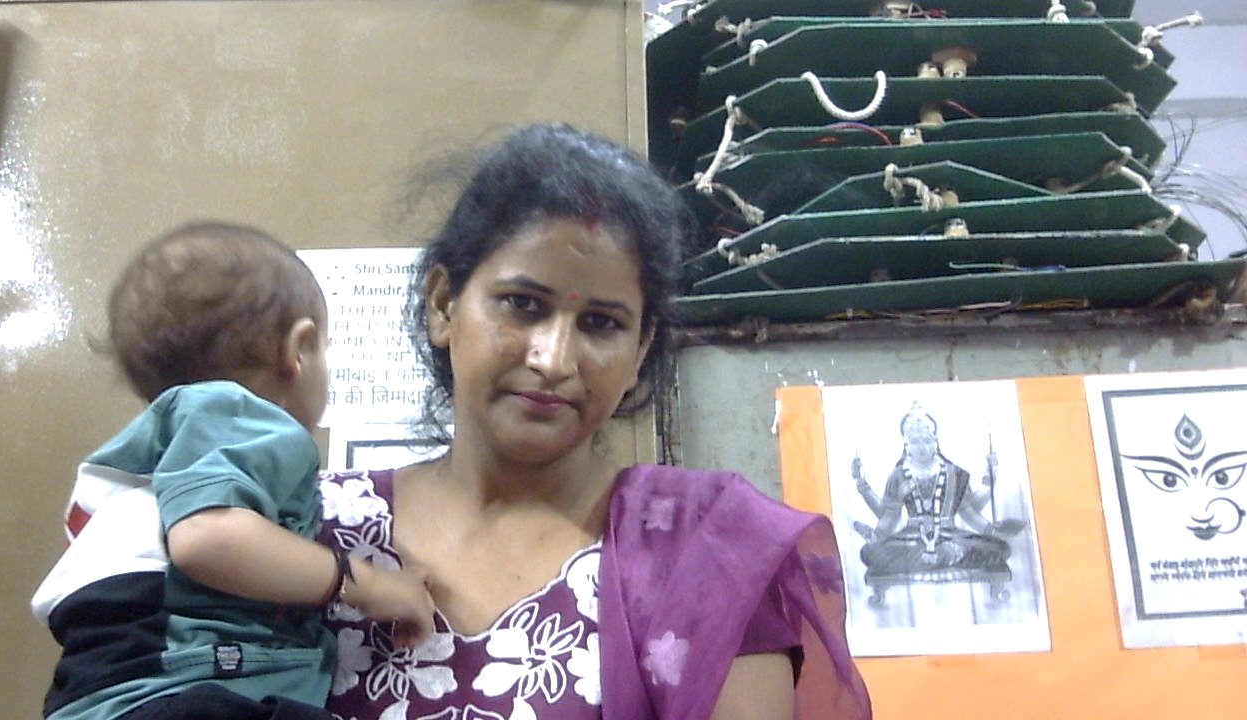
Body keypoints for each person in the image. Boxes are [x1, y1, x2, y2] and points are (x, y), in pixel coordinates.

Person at [316, 123, 871, 720]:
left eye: (601, 324)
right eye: (523, 305)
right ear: (443, 305)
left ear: (640, 348)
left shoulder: (705, 559)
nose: (553, 360)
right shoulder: (311, 531)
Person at [31, 222, 436, 720]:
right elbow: (206, 538)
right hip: (177, 694)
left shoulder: (171, 450)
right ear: (300, 349)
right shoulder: (238, 416)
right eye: (326, 349)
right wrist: (368, 584)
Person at [853, 401, 1017, 576]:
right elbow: (888, 516)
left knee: (1000, 549)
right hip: (911, 539)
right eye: (915, 441)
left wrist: (988, 480)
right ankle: (944, 557)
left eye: (926, 440)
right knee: (869, 553)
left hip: (951, 537)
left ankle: (938, 557)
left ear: (935, 443)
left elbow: (970, 512)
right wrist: (862, 484)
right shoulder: (898, 475)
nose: (921, 447)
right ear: (906, 446)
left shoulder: (955, 474)